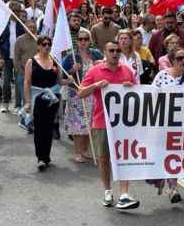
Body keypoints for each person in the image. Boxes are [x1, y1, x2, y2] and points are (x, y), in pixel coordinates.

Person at [78, 41, 140, 210]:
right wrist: (96, 85)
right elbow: (80, 93)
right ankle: (107, 190)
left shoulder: (127, 71)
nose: (115, 53)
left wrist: (132, 88)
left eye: (117, 50)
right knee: (104, 159)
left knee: (123, 157)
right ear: (105, 52)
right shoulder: (95, 70)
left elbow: (139, 94)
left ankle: (125, 193)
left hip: (124, 122)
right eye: (111, 50)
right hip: (101, 121)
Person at [148, 47, 184, 203]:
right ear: (172, 60)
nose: (183, 61)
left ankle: (171, 185)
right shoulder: (161, 77)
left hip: (183, 124)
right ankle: (171, 186)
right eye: (179, 58)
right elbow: (152, 99)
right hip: (164, 124)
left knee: (176, 155)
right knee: (165, 154)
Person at [23, 36, 67, 171]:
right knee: (39, 129)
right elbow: (27, 82)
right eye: (44, 44)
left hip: (52, 99)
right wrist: (27, 102)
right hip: (38, 99)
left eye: (49, 44)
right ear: (38, 46)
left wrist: (69, 79)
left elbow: (60, 81)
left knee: (49, 129)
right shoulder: (31, 62)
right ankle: (40, 157)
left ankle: (46, 156)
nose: (47, 46)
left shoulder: (55, 61)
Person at [62, 31, 102, 163]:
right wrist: (72, 71)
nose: (83, 42)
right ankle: (78, 152)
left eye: (85, 39)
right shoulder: (70, 56)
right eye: (80, 39)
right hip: (76, 94)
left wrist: (100, 63)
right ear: (77, 41)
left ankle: (85, 150)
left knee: (89, 124)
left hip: (92, 94)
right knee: (77, 124)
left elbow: (105, 65)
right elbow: (61, 77)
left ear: (89, 40)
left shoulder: (95, 53)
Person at [0, 3, 26, 113]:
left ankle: (18, 105)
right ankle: (6, 103)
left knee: (19, 82)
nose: (17, 13)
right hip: (6, 57)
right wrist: (0, 56)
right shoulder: (3, 25)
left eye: (18, 11)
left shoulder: (22, 26)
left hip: (18, 58)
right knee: (6, 81)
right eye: (15, 11)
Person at [14, 19, 38, 117]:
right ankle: (26, 119)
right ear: (25, 28)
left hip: (36, 73)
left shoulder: (39, 39)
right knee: (25, 97)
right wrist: (20, 71)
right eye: (30, 27)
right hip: (23, 72)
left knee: (35, 96)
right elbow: (16, 57)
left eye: (34, 27)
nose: (32, 29)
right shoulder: (19, 40)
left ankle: (33, 116)